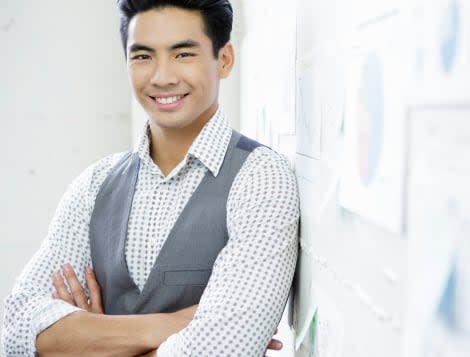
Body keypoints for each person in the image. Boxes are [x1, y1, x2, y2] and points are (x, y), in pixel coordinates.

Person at [1, 0, 299, 356]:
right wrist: (180, 324)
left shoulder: (262, 178)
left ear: (224, 59)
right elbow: (14, 330)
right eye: (143, 56)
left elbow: (221, 351)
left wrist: (87, 339)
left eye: (183, 54)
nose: (162, 77)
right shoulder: (94, 186)